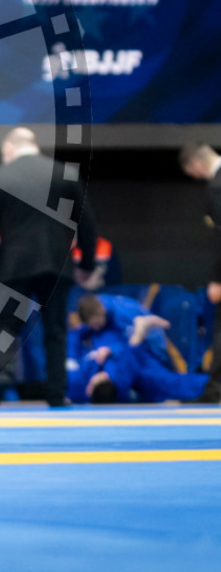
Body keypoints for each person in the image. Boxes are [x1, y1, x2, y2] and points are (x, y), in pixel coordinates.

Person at [0, 127, 99, 408]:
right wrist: (86, 266)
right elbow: (87, 226)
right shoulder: (65, 173)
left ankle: (1, 380)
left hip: (14, 266)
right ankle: (56, 393)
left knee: (6, 326)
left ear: (11, 149)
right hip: (56, 265)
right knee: (56, 330)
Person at [67, 325, 210, 405]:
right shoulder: (119, 381)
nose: (102, 376)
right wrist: (112, 350)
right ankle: (212, 384)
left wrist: (84, 329)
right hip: (137, 361)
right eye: (104, 378)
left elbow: (71, 346)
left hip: (106, 337)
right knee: (166, 382)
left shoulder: (75, 382)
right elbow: (131, 351)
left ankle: (210, 384)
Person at [179, 141, 221, 402]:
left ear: (196, 164)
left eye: (192, 174)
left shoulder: (217, 186)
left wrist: (217, 278)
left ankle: (216, 388)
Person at [74, 293, 171, 368]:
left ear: (101, 311)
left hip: (154, 350)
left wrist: (110, 350)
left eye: (96, 325)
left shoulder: (123, 313)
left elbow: (133, 347)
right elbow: (78, 332)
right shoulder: (96, 306)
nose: (95, 328)